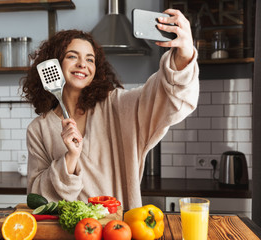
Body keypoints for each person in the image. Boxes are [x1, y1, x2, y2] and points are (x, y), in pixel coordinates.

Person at [22, 9, 199, 210]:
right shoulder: (39, 129)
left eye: (90, 59)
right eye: (72, 56)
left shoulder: (117, 107)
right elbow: (36, 197)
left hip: (118, 230)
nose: (82, 64)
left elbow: (163, 97)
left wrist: (184, 54)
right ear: (54, 64)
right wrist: (70, 159)